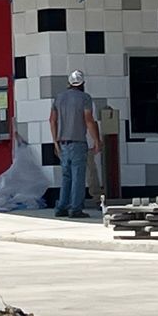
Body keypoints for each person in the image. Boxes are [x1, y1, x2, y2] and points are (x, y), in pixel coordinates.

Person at [49, 69, 100, 218]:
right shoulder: (85, 98)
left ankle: (61, 207)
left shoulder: (59, 98)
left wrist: (55, 142)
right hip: (78, 142)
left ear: (69, 83)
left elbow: (52, 120)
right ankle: (75, 209)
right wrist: (97, 140)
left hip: (63, 143)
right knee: (78, 176)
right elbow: (89, 120)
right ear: (83, 83)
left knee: (66, 176)